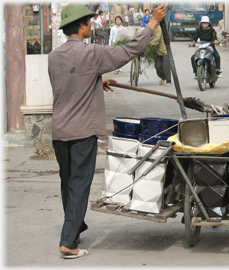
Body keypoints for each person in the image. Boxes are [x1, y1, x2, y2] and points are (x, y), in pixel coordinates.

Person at [48, 3, 166, 259]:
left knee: (68, 183)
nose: (92, 25)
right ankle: (68, 243)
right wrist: (152, 24)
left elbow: (67, 84)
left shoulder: (54, 56)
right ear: (81, 26)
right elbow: (129, 50)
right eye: (89, 22)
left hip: (59, 130)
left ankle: (76, 229)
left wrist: (97, 79)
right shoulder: (91, 53)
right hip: (82, 131)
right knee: (79, 185)